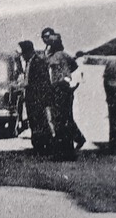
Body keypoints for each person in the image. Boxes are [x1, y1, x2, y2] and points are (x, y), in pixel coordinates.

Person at [41, 28, 81, 160]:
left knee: (59, 121)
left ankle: (61, 153)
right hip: (66, 89)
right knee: (66, 120)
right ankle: (68, 152)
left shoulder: (55, 57)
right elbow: (74, 67)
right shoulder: (65, 55)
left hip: (58, 89)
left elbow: (50, 71)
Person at [20, 39, 53, 154]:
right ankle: (38, 146)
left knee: (40, 122)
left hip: (37, 97)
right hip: (31, 97)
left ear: (28, 52)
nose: (22, 56)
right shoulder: (30, 62)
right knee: (34, 122)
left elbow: (42, 82)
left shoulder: (38, 62)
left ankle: (43, 146)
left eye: (23, 53)